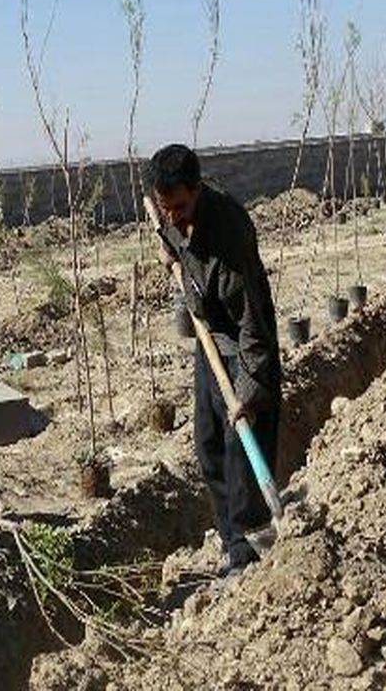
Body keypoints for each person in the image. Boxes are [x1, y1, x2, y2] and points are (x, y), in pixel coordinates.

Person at [145, 143, 282, 580]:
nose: (174, 217)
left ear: (198, 190)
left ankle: (250, 554)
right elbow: (170, 233)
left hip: (243, 343)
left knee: (239, 449)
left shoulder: (230, 236)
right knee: (207, 446)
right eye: (167, 209)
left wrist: (249, 393)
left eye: (181, 208)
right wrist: (171, 249)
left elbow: (252, 325)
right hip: (209, 340)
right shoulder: (170, 214)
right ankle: (231, 546)